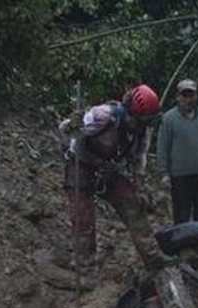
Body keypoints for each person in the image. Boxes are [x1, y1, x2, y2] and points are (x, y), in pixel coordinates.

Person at [61, 84, 165, 282]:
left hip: (107, 168)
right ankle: (86, 270)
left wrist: (139, 186)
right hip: (81, 164)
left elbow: (138, 160)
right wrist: (73, 124)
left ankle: (153, 257)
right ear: (135, 114)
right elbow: (66, 128)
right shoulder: (104, 116)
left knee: (132, 205)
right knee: (83, 218)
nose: (146, 125)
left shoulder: (141, 132)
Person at [156, 79, 198, 224]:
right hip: (180, 176)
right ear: (178, 97)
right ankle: (182, 238)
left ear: (196, 97)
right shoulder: (169, 118)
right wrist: (163, 172)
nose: (188, 99)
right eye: (184, 95)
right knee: (181, 215)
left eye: (191, 95)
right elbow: (163, 146)